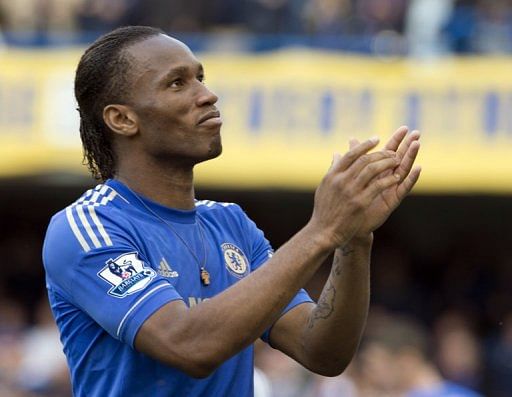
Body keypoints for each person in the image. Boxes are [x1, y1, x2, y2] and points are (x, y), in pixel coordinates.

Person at [42, 25, 421, 397]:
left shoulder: (230, 223)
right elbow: (188, 346)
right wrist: (322, 230)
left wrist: (353, 240)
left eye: (200, 77)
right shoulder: (87, 226)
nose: (207, 95)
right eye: (177, 83)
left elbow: (320, 351)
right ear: (122, 119)